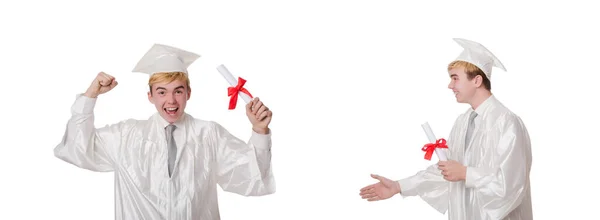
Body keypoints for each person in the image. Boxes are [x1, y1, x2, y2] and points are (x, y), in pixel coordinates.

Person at [54, 43, 276, 220]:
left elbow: (252, 177)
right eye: (162, 92)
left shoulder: (208, 135)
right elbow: (77, 148)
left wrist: (259, 130)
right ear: (150, 96)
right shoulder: (126, 136)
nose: (171, 101)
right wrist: (90, 95)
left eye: (178, 91)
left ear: (189, 93)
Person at [359, 38, 533, 220]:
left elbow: (512, 183)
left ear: (477, 80)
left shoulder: (506, 123)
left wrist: (466, 173)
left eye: (455, 78)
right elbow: (447, 171)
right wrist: (399, 186)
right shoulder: (463, 122)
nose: (450, 85)